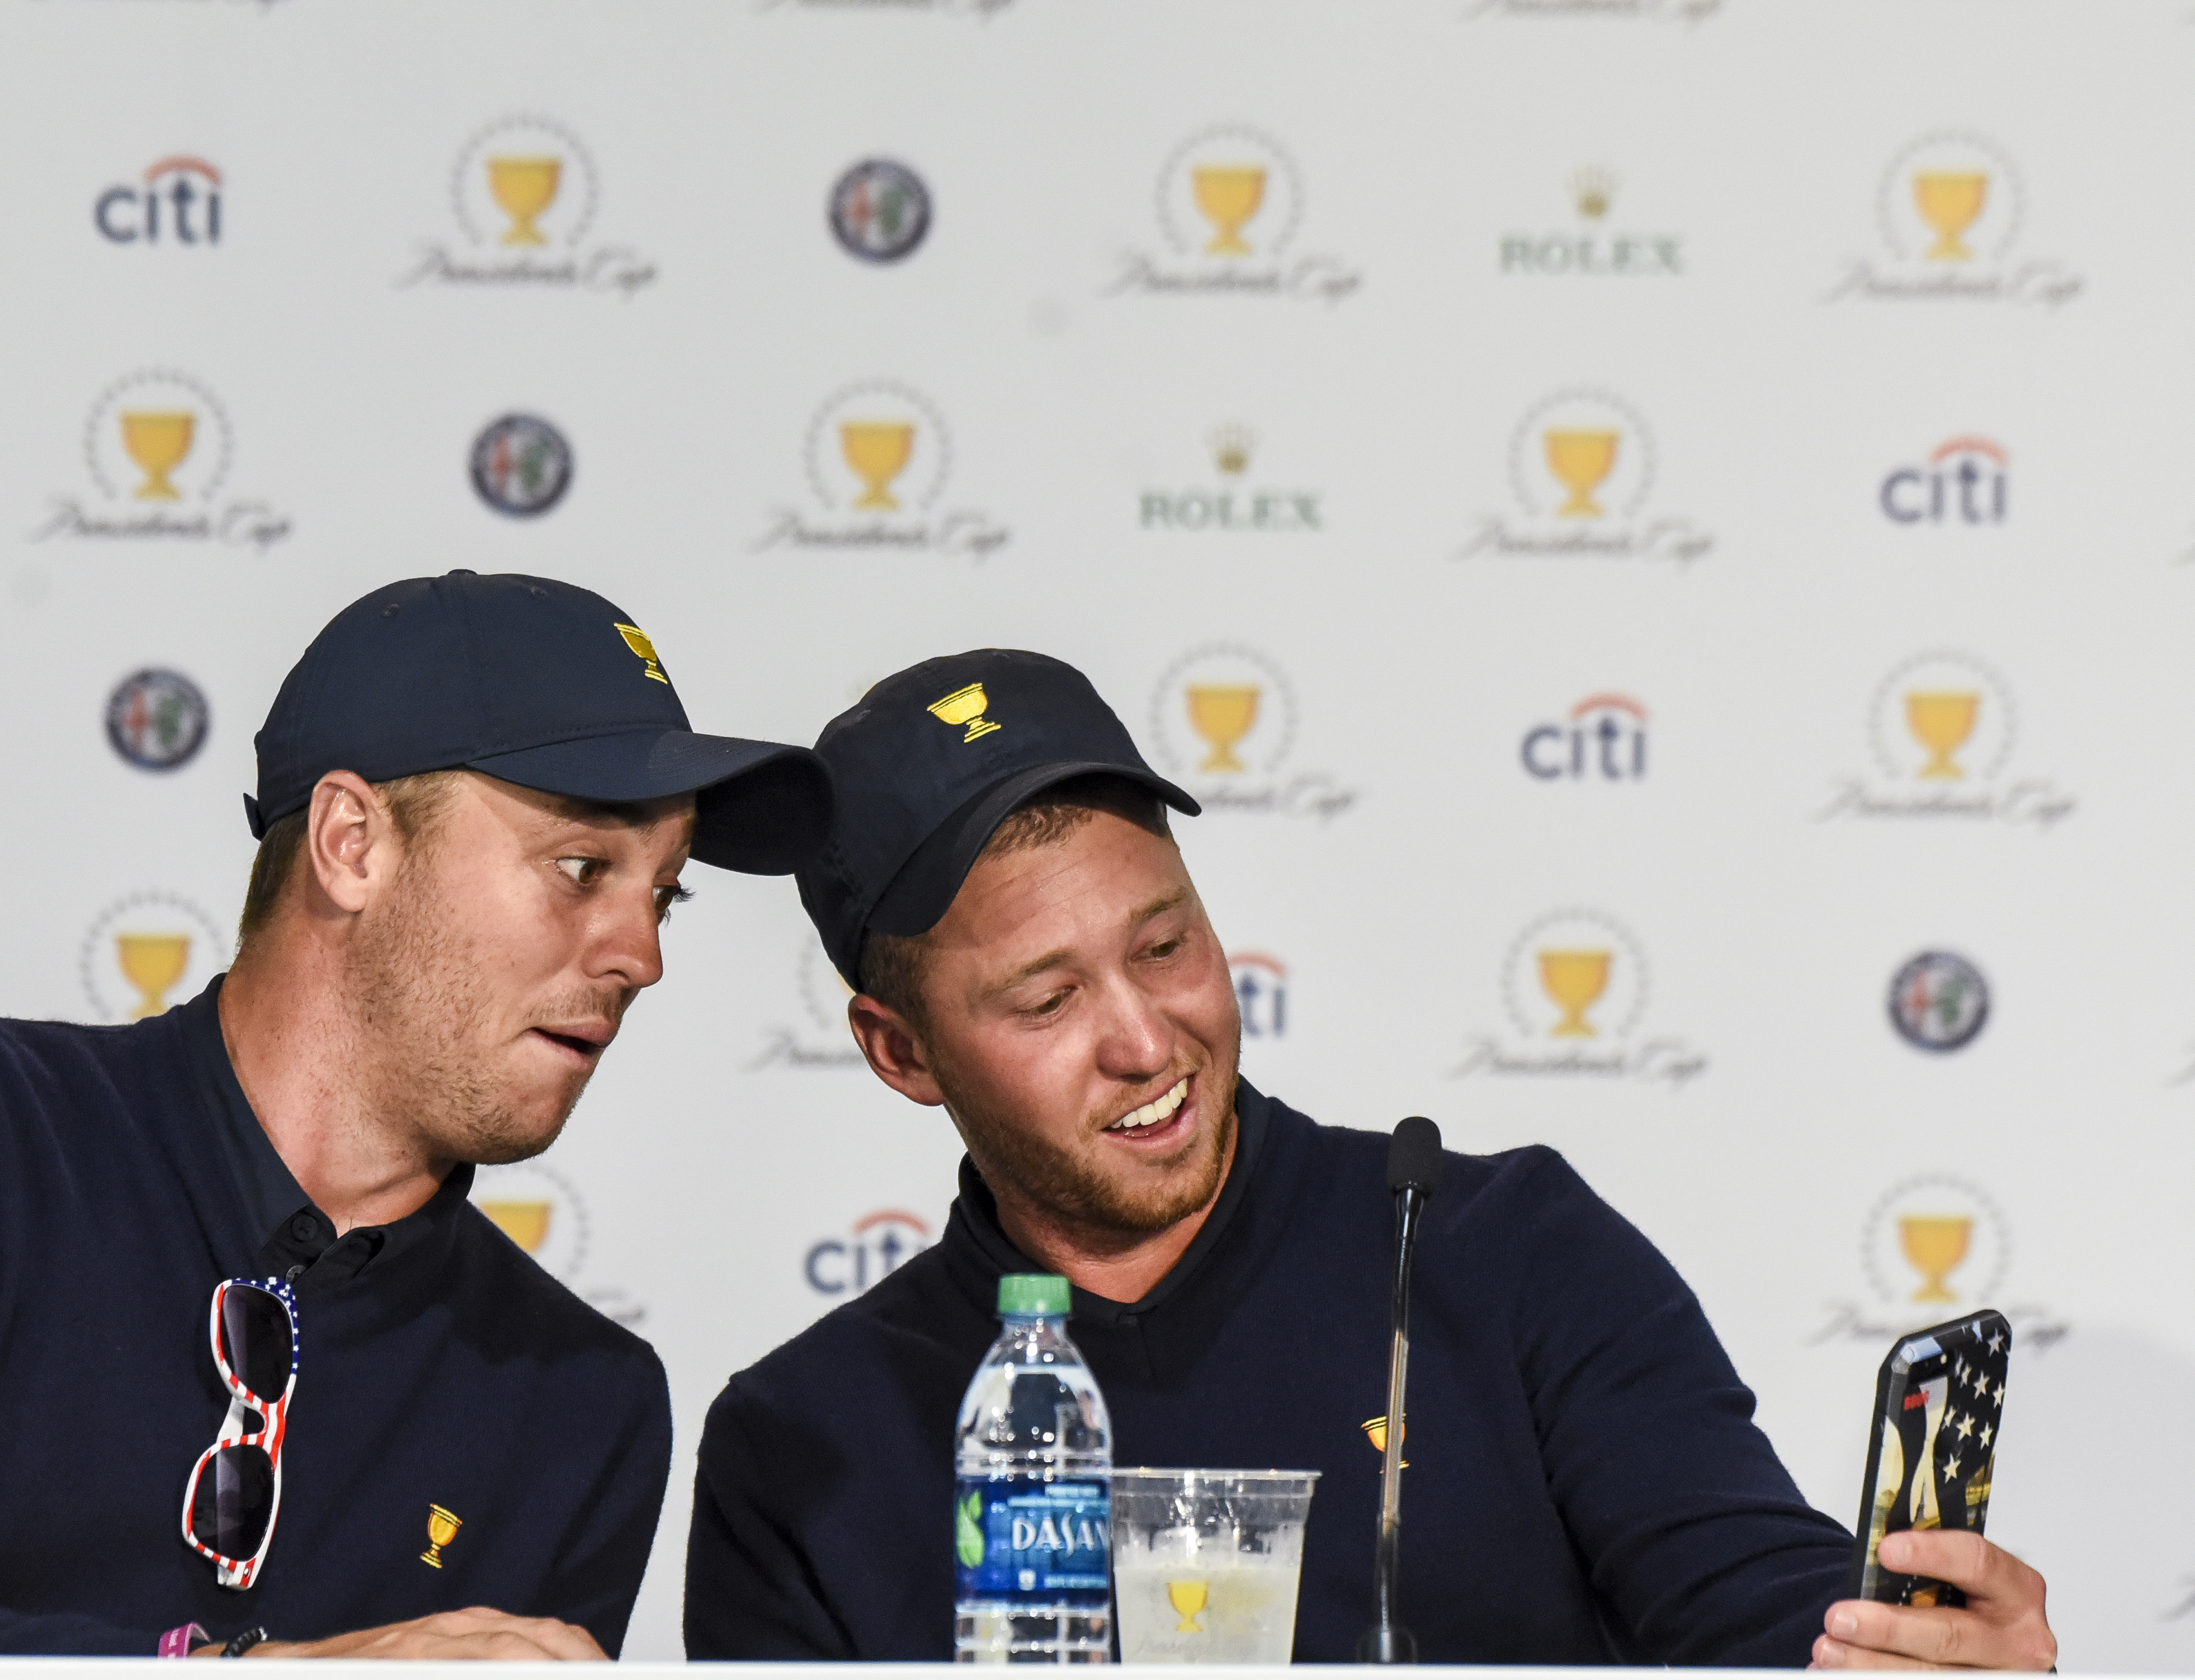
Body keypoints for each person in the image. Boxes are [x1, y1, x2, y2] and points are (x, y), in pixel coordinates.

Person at [683, 648, 2057, 1669]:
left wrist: (1907, 1651)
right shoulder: (802, 1445)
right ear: (900, 1053)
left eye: (1167, 947)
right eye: (1045, 1003)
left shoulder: (1503, 1247)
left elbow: (1751, 1603)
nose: (1146, 1039)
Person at [0, 572, 830, 1659]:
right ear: (351, 844)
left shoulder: (581, 1398)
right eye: (583, 868)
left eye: (664, 895)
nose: (642, 955)